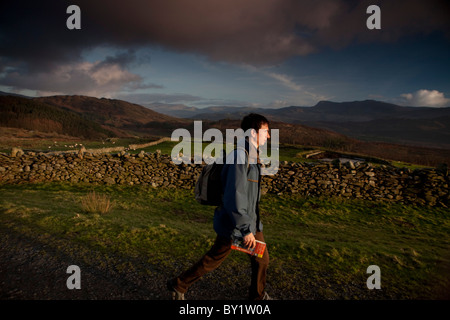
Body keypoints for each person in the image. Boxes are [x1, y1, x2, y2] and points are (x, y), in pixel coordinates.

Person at [167, 113, 272, 300]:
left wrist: (251, 224)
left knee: (261, 260)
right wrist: (245, 228)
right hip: (237, 223)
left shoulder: (250, 155)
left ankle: (257, 297)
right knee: (214, 259)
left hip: (250, 221)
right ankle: (179, 285)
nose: (269, 135)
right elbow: (235, 195)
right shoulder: (242, 156)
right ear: (254, 133)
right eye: (266, 131)